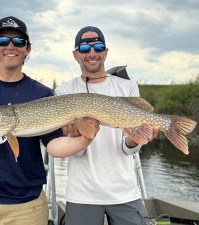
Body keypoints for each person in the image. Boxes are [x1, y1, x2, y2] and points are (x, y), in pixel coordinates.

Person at [0, 17, 98, 225]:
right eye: (3, 41)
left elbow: (53, 146)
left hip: (27, 207)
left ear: (27, 49)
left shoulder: (42, 93)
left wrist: (84, 140)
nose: (10, 46)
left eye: (19, 42)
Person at [55, 26, 159, 225]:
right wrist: (78, 136)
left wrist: (135, 138)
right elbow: (75, 152)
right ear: (76, 55)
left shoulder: (126, 86)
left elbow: (128, 148)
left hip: (124, 192)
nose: (92, 53)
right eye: (85, 48)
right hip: (82, 194)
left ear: (106, 52)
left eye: (98, 47)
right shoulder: (65, 91)